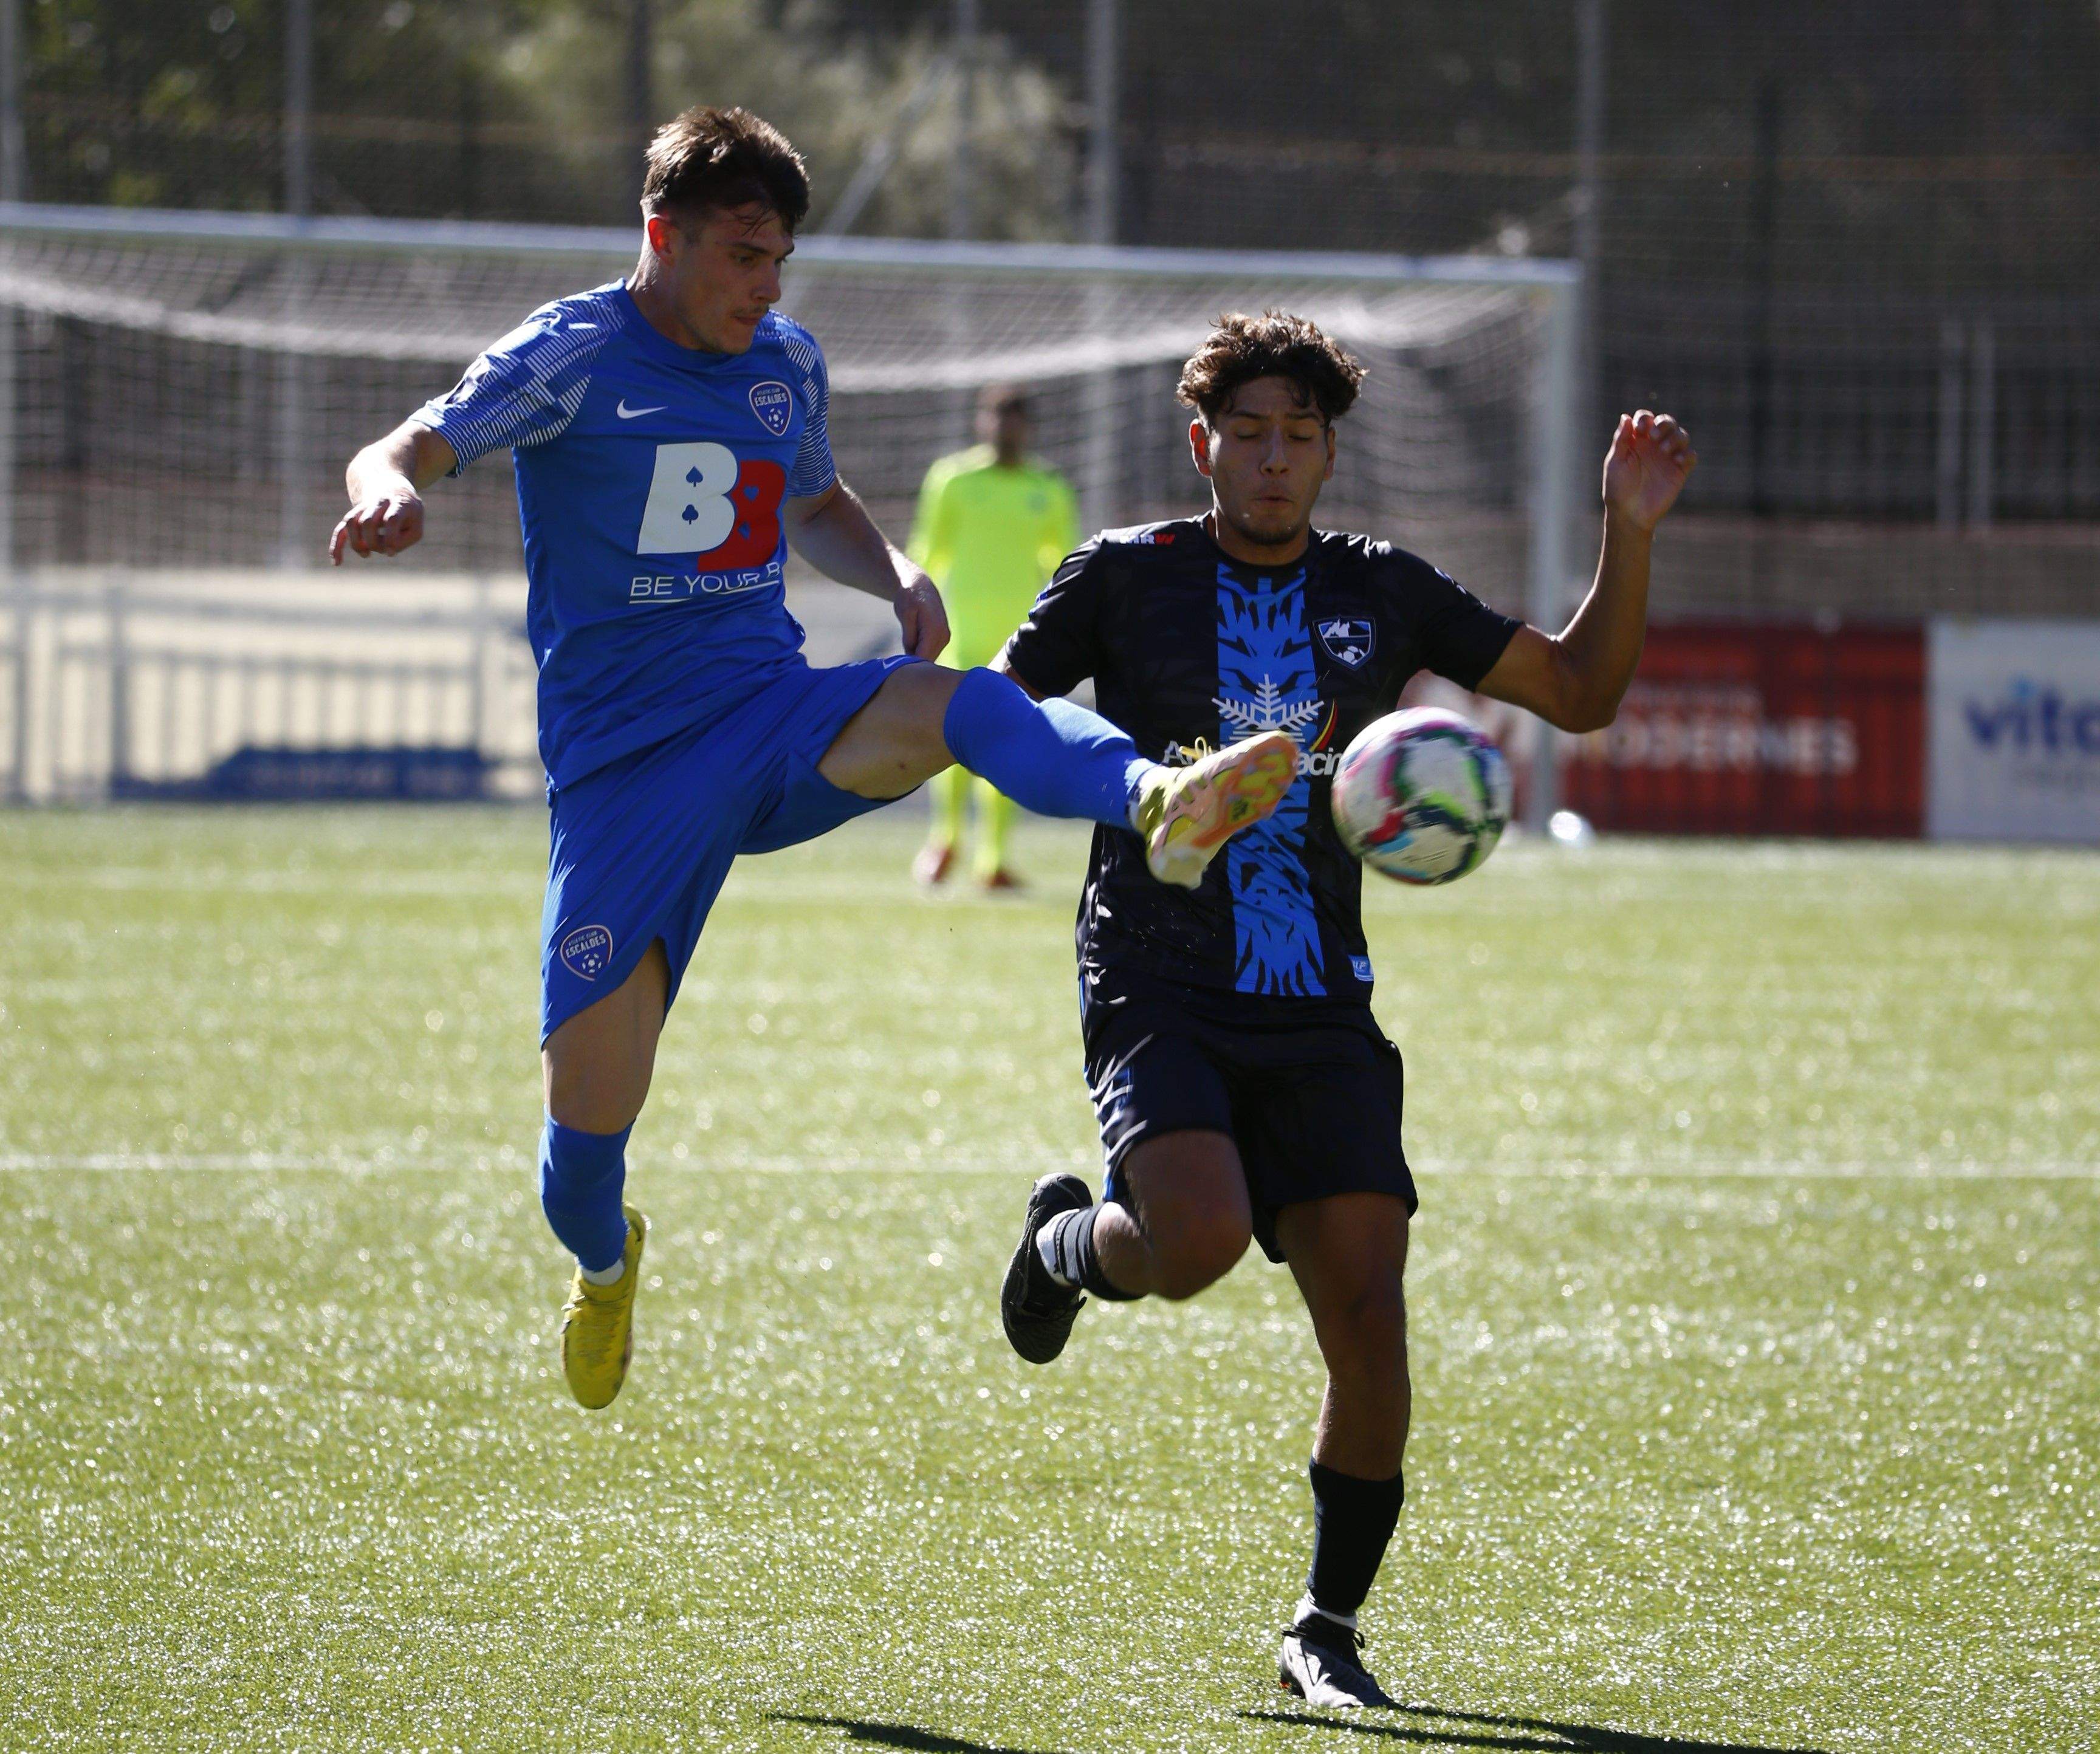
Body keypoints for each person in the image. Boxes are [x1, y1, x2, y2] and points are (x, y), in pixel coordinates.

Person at [328, 108, 1299, 1415]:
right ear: (663, 237)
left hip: (770, 712)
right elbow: (409, 442)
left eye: (780, 259)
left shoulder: (785, 362)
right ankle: (607, 1265)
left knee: (955, 703)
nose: (767, 288)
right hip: (625, 782)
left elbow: (816, 498)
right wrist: (390, 487)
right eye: (743, 256)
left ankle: (1158, 793)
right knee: (580, 1153)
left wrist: (895, 571)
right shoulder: (571, 352)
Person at [993, 310, 1694, 1709]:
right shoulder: (1122, 575)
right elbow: (994, 718)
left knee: (1369, 1316)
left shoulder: (1384, 588)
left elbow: (1578, 692)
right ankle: (1068, 1243)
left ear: (1328, 453)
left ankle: (1325, 1626)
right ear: (1201, 444)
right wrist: (1133, 789)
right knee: (1192, 1242)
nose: (1272, 458)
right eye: (1246, 433)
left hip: (1319, 1001)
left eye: (1297, 436)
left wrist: (1626, 530)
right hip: (1155, 972)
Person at [908, 385, 1080, 889]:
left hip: (1020, 639)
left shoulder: (1048, 487)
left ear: (1029, 428)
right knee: (951, 737)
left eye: (1015, 420)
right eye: (998, 418)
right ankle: (944, 840)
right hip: (961, 633)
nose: (1006, 429)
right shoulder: (953, 480)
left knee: (1008, 741)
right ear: (982, 422)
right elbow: (928, 551)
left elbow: (1065, 564)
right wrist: (918, 610)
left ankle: (993, 859)